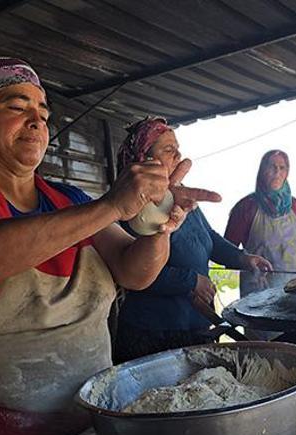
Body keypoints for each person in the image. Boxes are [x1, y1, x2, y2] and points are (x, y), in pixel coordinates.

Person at [0, 58, 217, 435]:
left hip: (82, 425)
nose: (36, 121)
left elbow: (135, 272)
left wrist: (161, 225)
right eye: (17, 106)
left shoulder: (71, 200)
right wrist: (111, 206)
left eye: (43, 113)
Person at [112, 118, 272, 364]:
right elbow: (134, 270)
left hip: (196, 323)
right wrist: (191, 281)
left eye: (177, 148)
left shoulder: (182, 197)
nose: (178, 155)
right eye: (168, 150)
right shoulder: (130, 204)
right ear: (144, 159)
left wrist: (243, 258)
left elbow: (210, 239)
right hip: (153, 332)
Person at [225, 149, 296, 295]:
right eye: (271, 166)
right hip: (261, 291)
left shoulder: (295, 206)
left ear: (287, 173)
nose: (277, 172)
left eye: (282, 168)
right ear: (262, 171)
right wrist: (248, 264)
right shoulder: (246, 207)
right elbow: (226, 252)